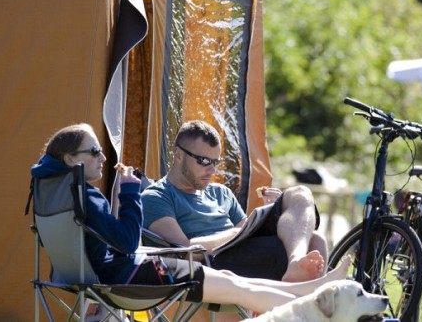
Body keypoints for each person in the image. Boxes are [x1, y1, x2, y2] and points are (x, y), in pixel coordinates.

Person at [30, 123, 352, 314]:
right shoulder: (101, 197)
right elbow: (132, 242)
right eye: (95, 152)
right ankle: (313, 296)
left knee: (296, 217)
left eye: (216, 162)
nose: (103, 157)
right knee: (239, 285)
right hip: (141, 273)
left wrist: (261, 218)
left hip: (129, 271)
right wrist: (128, 191)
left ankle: (309, 286)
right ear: (71, 159)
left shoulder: (58, 195)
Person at [141, 120, 328, 282]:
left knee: (301, 195)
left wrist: (267, 213)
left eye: (215, 162)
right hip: (214, 266)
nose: (212, 171)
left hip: (244, 253)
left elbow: (247, 232)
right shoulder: (156, 197)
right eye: (204, 161)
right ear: (178, 155)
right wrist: (235, 232)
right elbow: (184, 252)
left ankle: (296, 263)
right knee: (312, 244)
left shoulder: (221, 193)